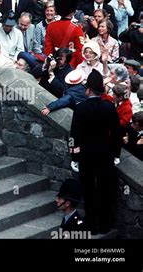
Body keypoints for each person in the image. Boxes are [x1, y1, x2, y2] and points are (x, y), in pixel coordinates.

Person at [69, 69, 120, 235]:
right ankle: (105, 224)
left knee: (89, 190)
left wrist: (74, 156)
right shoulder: (109, 107)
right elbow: (117, 133)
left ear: (89, 90)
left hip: (86, 155)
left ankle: (92, 225)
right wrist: (116, 154)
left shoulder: (80, 108)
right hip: (105, 155)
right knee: (105, 190)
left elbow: (74, 136)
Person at [45, 0, 85, 68]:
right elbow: (79, 53)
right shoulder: (77, 29)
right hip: (71, 68)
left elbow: (48, 51)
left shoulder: (51, 26)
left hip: (54, 67)